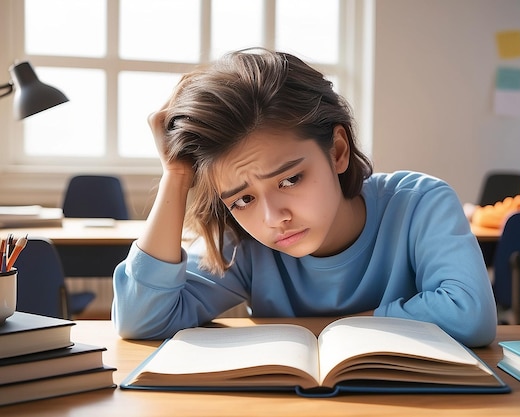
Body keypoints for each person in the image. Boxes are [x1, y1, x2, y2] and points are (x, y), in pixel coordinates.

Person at [111, 48, 496, 347]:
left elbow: (470, 315)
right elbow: (141, 322)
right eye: (242, 199)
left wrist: (337, 330)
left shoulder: (419, 204)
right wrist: (176, 176)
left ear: (338, 151)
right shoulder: (242, 242)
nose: (273, 217)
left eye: (291, 179)